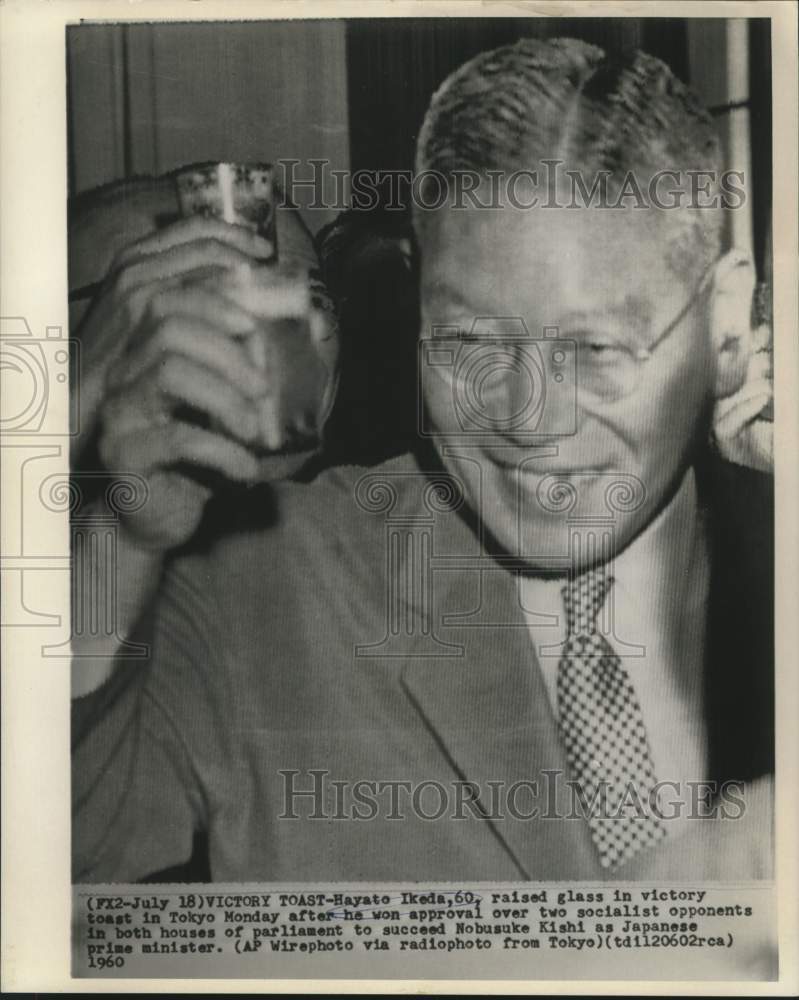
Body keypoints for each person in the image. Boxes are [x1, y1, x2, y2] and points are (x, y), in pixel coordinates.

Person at [72, 37, 773, 883]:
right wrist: (121, 540)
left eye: (594, 347)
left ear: (725, 319)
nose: (529, 420)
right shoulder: (261, 578)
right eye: (469, 342)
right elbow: (53, 861)